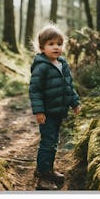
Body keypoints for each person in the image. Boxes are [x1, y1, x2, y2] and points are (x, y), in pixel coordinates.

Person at [29, 24, 81, 190]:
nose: (56, 47)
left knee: (53, 141)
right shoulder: (41, 66)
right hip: (47, 113)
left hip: (58, 112)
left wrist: (75, 102)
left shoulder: (62, 64)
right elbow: (35, 90)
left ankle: (46, 169)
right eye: (51, 44)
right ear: (42, 47)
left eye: (59, 43)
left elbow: (69, 86)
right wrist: (39, 111)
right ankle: (43, 177)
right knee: (48, 142)